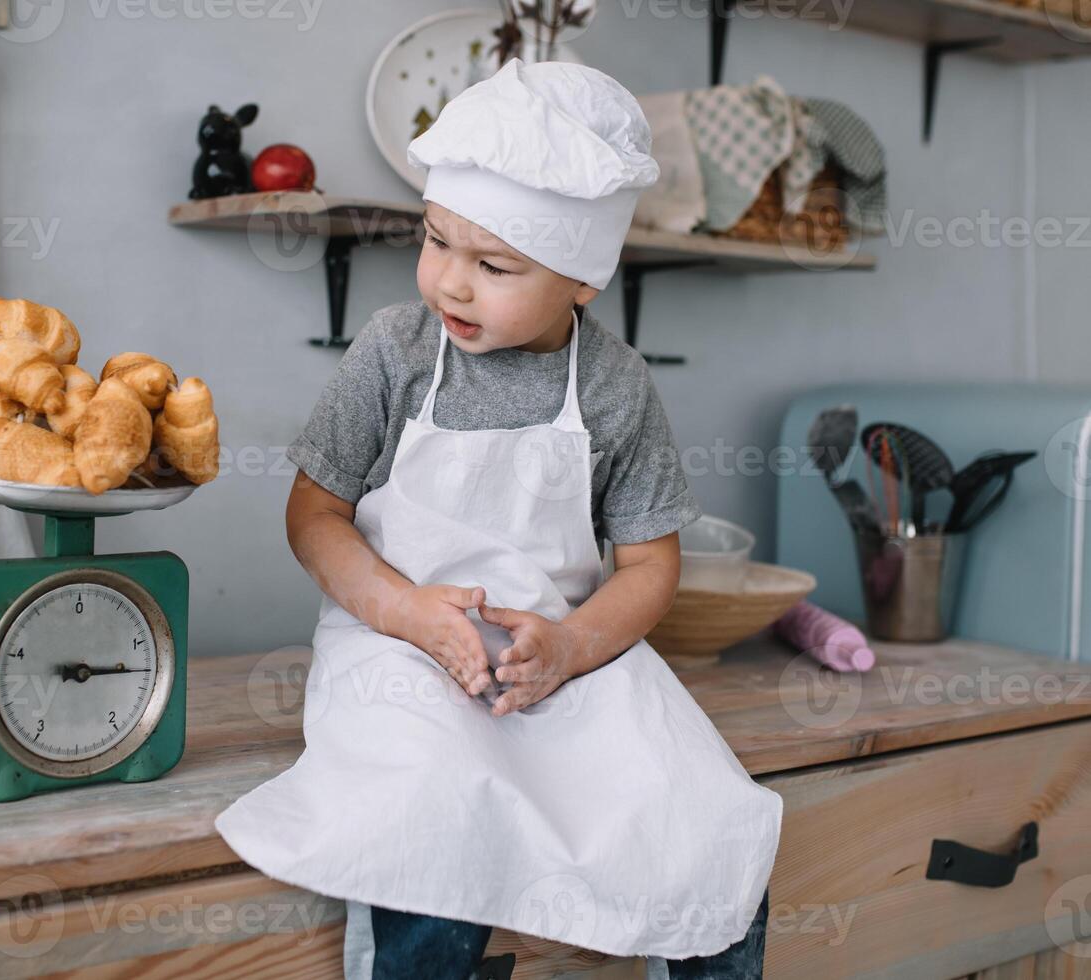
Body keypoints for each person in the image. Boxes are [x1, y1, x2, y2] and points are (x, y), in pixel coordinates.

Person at [215, 59, 783, 980]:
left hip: (565, 651)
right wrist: (408, 615)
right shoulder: (394, 354)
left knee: (709, 815)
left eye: (495, 265)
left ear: (583, 281)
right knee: (433, 809)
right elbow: (314, 515)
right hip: (397, 640)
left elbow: (649, 569)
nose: (453, 284)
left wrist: (566, 650)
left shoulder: (613, 387)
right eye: (436, 242)